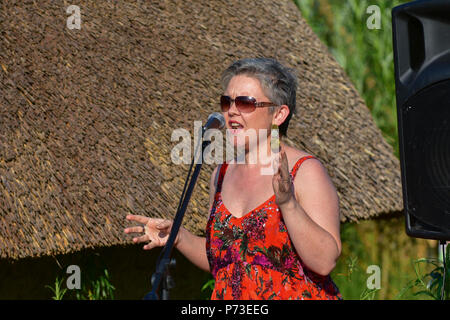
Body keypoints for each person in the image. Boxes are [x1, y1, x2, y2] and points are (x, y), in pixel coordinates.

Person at [124, 58, 342, 300]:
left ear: (278, 114)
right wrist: (178, 237)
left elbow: (325, 261)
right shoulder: (221, 173)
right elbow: (224, 260)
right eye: (227, 102)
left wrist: (288, 204)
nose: (232, 111)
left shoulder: (304, 171)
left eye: (245, 103)